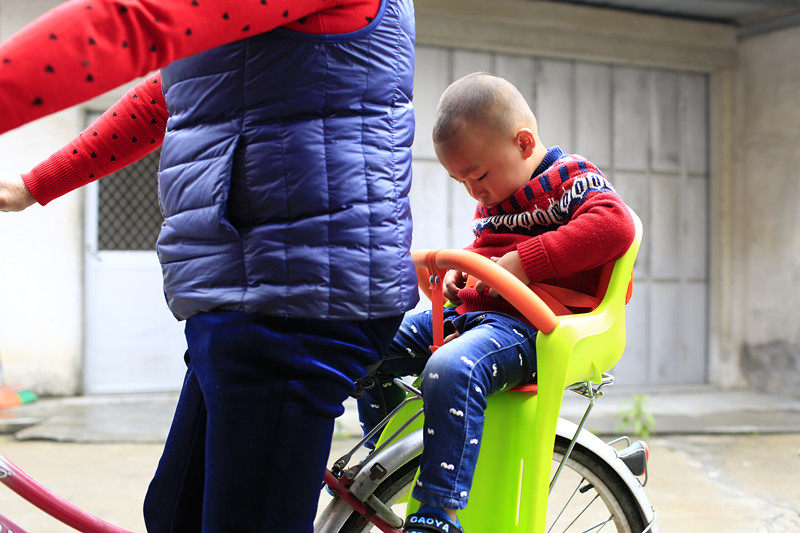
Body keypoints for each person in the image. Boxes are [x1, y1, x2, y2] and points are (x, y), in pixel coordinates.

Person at [0, 0, 417, 531]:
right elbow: (168, 94)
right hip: (246, 293)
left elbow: (133, 23)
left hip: (291, 296)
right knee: (175, 516)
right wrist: (34, 185)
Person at [356, 72, 635, 533]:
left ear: (524, 143)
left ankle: (437, 510)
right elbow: (489, 252)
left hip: (530, 327)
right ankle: (389, 455)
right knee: (360, 342)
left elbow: (615, 226)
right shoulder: (496, 199)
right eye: (459, 180)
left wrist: (524, 263)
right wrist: (460, 275)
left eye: (478, 174)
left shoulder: (571, 179)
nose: (473, 191)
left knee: (451, 367)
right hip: (474, 318)